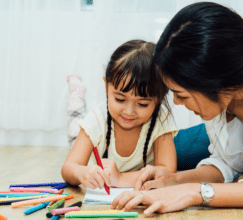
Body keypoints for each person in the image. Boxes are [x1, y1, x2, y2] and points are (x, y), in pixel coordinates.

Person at [111, 2, 243, 215]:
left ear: (217, 81)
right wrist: (174, 180)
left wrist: (193, 192)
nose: (176, 102)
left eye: (182, 94)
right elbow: (226, 162)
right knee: (171, 151)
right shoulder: (224, 93)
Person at [61, 40, 178, 189]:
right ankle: (76, 93)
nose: (129, 112)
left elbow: (167, 171)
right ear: (106, 86)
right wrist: (82, 173)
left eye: (142, 104)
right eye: (120, 99)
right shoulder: (97, 119)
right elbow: (68, 168)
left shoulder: (160, 119)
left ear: (160, 97)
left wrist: (121, 178)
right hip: (91, 135)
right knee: (74, 127)